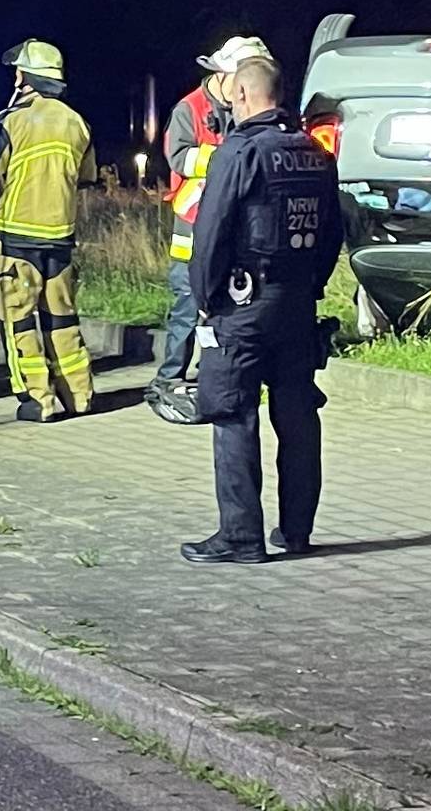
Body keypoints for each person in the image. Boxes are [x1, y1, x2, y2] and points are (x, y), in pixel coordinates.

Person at [178, 57, 340, 565]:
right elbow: (333, 233)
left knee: (232, 415)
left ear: (242, 97)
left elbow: (211, 234)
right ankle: (296, 532)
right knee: (297, 420)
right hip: (295, 305)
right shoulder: (315, 152)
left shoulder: (238, 153)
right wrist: (310, 288)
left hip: (242, 306)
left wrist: (206, 301)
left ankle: (241, 537)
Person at [0, 40, 94, 421]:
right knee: (62, 318)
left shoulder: (10, 120)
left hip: (16, 240)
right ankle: (80, 395)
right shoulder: (77, 123)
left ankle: (40, 400)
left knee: (19, 320)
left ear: (24, 77)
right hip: (60, 239)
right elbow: (85, 177)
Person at [153, 35, 275, 424]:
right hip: (192, 225)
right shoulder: (189, 109)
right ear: (225, 76)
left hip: (231, 226)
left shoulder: (248, 110)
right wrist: (228, 158)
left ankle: (213, 379)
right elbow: (179, 157)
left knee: (222, 311)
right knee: (187, 306)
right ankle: (169, 377)